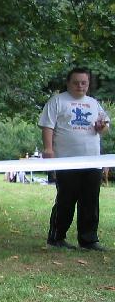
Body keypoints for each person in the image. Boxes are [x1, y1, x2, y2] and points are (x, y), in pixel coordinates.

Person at [39, 67, 110, 251]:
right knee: (66, 200)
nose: (80, 86)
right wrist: (48, 149)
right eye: (76, 82)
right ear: (68, 83)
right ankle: (56, 238)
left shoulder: (93, 103)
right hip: (66, 161)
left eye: (84, 83)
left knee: (90, 201)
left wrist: (101, 127)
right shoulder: (57, 101)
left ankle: (89, 240)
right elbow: (47, 126)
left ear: (88, 84)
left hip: (92, 160)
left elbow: (104, 127)